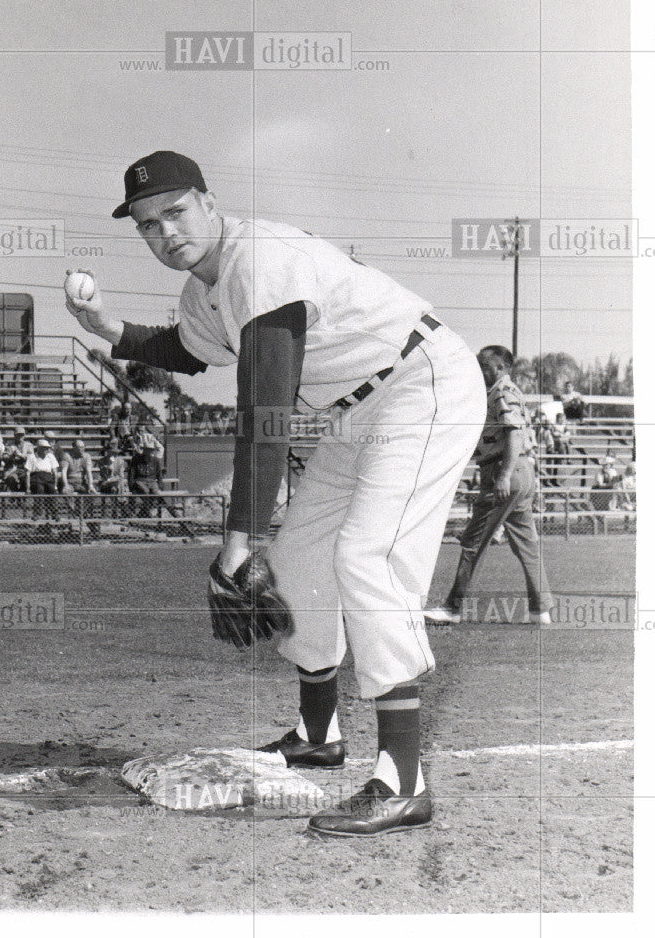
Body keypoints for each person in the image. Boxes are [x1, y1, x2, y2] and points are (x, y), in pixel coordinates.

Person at [65, 150, 487, 838]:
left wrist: (237, 540)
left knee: (368, 558)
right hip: (359, 412)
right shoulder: (206, 290)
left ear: (207, 202)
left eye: (175, 211)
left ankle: (405, 780)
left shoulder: (256, 259)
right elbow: (187, 348)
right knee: (298, 564)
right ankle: (318, 732)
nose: (165, 231)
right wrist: (107, 329)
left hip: (421, 383)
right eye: (147, 225)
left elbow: (265, 413)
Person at [424, 345, 553, 627]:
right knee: (526, 543)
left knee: (474, 540)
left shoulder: (502, 391)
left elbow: (514, 433)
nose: (479, 370)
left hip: (504, 469)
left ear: (500, 368)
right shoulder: (502, 392)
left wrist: (504, 475)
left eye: (484, 365)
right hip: (520, 470)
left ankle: (453, 607)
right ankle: (540, 609)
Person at [2, 427, 34, 492]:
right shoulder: (9, 445)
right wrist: (11, 456)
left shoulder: (29, 445)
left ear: (24, 435)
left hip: (24, 469)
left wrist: (20, 455)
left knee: (25, 480)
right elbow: (4, 457)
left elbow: (31, 458)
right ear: (15, 435)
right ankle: (14, 498)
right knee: (11, 479)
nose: (20, 436)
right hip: (12, 469)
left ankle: (22, 500)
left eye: (22, 435)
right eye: (18, 435)